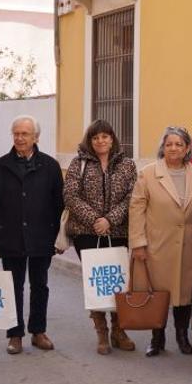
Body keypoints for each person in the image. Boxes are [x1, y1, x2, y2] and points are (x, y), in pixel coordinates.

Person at [0, 115, 64, 355]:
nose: (19, 138)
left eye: (25, 134)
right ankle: (15, 335)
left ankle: (38, 332)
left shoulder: (50, 166)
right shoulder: (0, 167)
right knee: (12, 286)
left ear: (36, 137)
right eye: (16, 133)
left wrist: (61, 237)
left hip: (42, 237)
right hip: (10, 238)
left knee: (40, 285)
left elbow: (59, 205)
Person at [128, 127, 192, 357]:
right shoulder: (149, 173)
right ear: (163, 147)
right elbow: (137, 208)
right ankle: (157, 337)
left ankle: (182, 336)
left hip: (188, 245)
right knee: (157, 293)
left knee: (184, 293)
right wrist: (138, 243)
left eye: (179, 144)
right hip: (157, 245)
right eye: (169, 144)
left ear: (187, 148)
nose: (174, 148)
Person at [64, 119, 138, 355]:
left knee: (117, 282)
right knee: (97, 281)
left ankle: (119, 330)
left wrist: (110, 220)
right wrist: (95, 220)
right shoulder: (79, 164)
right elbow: (70, 195)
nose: (100, 141)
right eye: (96, 137)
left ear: (112, 138)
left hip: (117, 232)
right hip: (86, 232)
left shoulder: (127, 165)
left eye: (105, 136)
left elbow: (132, 197)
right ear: (90, 140)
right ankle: (101, 333)